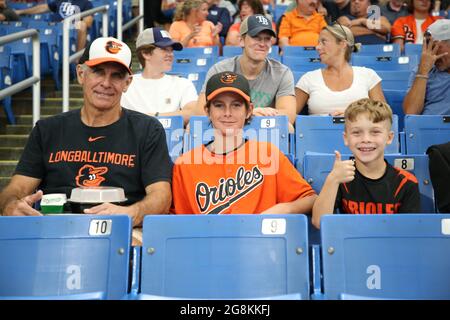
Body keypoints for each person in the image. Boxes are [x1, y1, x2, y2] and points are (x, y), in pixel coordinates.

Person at [0, 37, 172, 243]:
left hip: (120, 230)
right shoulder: (48, 129)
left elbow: (161, 195)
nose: (106, 83)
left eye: (116, 76)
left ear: (127, 83)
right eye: (98, 72)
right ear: (81, 74)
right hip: (52, 227)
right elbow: (16, 188)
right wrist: (11, 205)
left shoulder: (147, 129)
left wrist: (131, 213)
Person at [171, 71, 317, 214]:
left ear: (249, 110)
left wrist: (285, 208)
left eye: (236, 105)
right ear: (207, 111)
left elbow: (310, 199)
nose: (227, 113)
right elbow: (181, 224)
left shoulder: (268, 154)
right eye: (219, 105)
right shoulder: (185, 165)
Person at [312, 98, 421, 228]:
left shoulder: (406, 182)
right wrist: (332, 179)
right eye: (357, 133)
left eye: (375, 132)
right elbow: (318, 222)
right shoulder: (341, 177)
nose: (366, 139)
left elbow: (409, 232)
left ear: (389, 138)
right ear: (346, 138)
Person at [197, 14, 297, 130]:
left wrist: (249, 116)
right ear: (241, 41)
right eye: (256, 37)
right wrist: (251, 113)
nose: (262, 43)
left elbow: (288, 116)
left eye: (267, 39)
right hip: (226, 133)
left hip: (265, 135)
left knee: (288, 128)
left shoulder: (282, 73)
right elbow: (200, 112)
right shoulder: (220, 70)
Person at [295, 23, 385, 115]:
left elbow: (383, 116)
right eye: (318, 43)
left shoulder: (368, 75)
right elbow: (288, 117)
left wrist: (350, 114)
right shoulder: (308, 78)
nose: (317, 47)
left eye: (323, 42)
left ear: (342, 44)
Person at [121, 27, 198, 125]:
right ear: (146, 53)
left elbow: (192, 113)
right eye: (165, 49)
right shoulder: (126, 84)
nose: (170, 54)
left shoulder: (182, 83)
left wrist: (154, 117)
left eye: (171, 50)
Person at [403, 19, 450, 115]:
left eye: (434, 47)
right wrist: (423, 72)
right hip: (428, 128)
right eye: (426, 47)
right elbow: (411, 113)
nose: (430, 54)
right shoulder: (421, 70)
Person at [14, 0, 93, 51]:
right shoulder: (60, 1)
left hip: (71, 29)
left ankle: (77, 59)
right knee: (34, 25)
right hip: (55, 28)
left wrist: (69, 22)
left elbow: (88, 23)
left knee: (82, 25)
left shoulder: (86, 3)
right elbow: (43, 7)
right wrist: (21, 11)